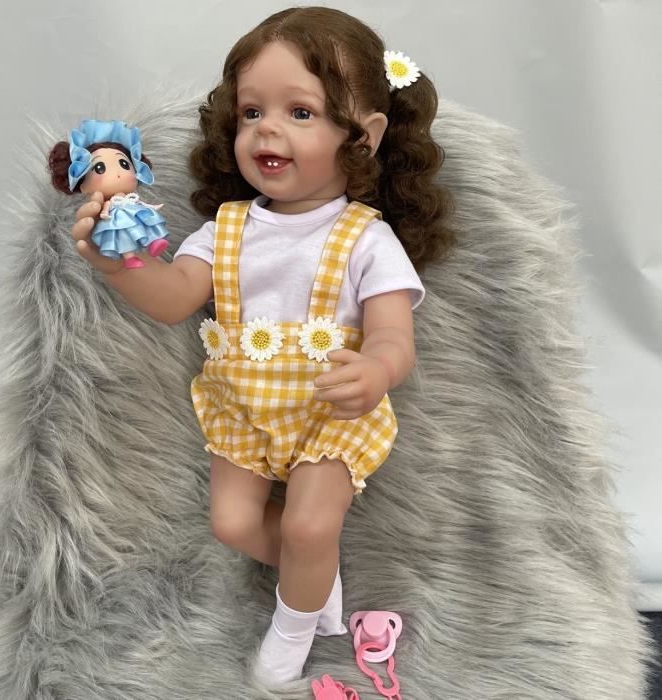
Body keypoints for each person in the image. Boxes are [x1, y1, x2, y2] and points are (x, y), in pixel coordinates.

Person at [69, 6, 455, 688]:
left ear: (363, 136)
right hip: (244, 409)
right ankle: (315, 575)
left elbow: (396, 335)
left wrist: (375, 369)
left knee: (308, 527)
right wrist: (116, 264)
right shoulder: (227, 228)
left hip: (331, 414)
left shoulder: (365, 238)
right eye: (252, 112)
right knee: (233, 523)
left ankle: (293, 625)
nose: (267, 130)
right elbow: (174, 297)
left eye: (300, 112)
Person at [49, 120, 169, 269]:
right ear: (83, 186)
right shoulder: (108, 202)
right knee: (122, 236)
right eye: (100, 168)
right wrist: (105, 213)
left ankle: (154, 243)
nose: (118, 173)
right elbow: (105, 208)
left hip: (134, 211)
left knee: (147, 221)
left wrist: (149, 207)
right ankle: (129, 257)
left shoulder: (132, 199)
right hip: (116, 217)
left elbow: (140, 203)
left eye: (124, 164)